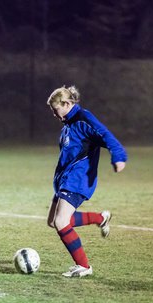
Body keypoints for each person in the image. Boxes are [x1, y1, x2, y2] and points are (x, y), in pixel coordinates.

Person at [47, 85, 127, 278]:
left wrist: (119, 156)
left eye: (56, 110)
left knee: (60, 221)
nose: (55, 116)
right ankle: (101, 218)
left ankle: (83, 266)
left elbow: (106, 135)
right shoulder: (68, 124)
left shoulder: (84, 119)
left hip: (78, 180)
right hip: (65, 180)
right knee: (53, 221)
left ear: (66, 104)